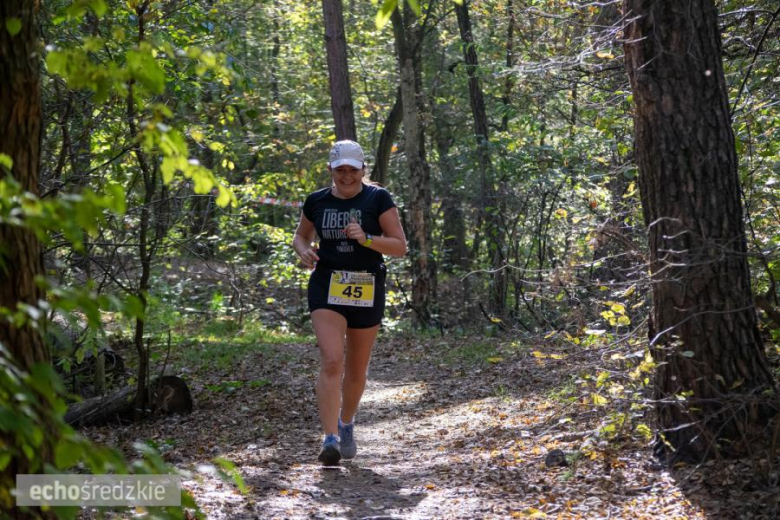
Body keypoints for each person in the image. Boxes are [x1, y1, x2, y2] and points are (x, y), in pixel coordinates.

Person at [292, 140, 407, 465]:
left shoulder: (378, 198)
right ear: (330, 170)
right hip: (327, 283)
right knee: (332, 360)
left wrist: (367, 239)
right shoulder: (316, 201)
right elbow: (301, 235)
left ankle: (346, 423)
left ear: (362, 171)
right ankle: (329, 439)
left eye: (352, 171)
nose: (346, 176)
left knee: (356, 369)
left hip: (367, 285)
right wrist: (303, 250)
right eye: (339, 170)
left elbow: (400, 247)